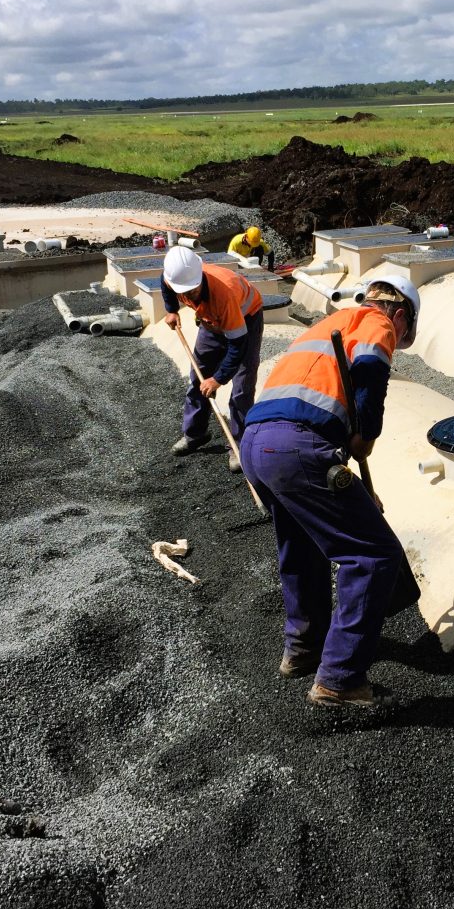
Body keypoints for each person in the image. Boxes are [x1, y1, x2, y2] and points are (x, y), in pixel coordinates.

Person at [239, 275, 420, 709]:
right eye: (403, 331)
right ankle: (339, 679)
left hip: (258, 444)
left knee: (301, 547)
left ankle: (303, 648)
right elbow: (372, 372)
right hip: (298, 448)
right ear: (399, 315)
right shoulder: (378, 321)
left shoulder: (328, 325)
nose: (397, 336)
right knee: (374, 554)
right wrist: (366, 436)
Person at [160, 247, 264, 473]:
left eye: (192, 289)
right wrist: (171, 310)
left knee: (241, 388)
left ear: (200, 279)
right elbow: (165, 285)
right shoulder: (175, 277)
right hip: (210, 320)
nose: (188, 293)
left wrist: (218, 380)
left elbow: (237, 346)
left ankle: (239, 446)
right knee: (197, 378)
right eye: (183, 291)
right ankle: (195, 434)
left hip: (245, 320)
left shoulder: (223, 295)